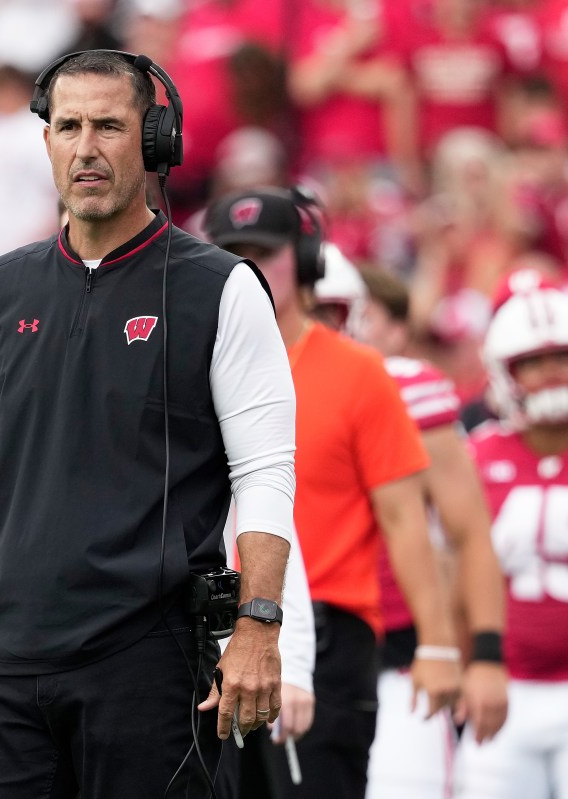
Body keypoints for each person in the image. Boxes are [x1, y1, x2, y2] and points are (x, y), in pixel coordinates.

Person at [0, 49, 299, 799]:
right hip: (6, 656)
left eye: (109, 127)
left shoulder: (220, 288)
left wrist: (259, 625)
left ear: (154, 141)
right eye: (69, 126)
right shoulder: (2, 285)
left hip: (147, 660)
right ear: (46, 139)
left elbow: (265, 470)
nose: (85, 147)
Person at [203, 187, 461, 799]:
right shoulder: (195, 366)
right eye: (234, 253)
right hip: (215, 626)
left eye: (265, 252)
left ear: (306, 260)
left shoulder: (358, 371)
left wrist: (438, 644)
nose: (249, 268)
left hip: (328, 631)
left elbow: (404, 520)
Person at [348, 268, 509, 799]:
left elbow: (468, 536)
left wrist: (468, 650)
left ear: (397, 330)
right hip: (305, 638)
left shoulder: (411, 391)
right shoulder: (278, 378)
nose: (343, 326)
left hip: (401, 643)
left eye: (359, 314)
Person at [457, 287, 568, 799]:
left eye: (561, 357)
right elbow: (451, 575)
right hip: (502, 685)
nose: (551, 373)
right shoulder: (476, 456)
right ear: (505, 372)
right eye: (534, 362)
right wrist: (471, 663)